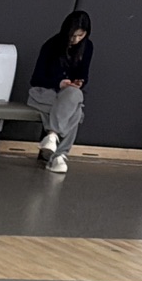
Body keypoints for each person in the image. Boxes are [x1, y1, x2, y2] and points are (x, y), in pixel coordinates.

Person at [28, 11, 93, 175]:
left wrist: (79, 82)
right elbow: (36, 79)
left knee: (74, 96)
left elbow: (84, 75)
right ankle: (59, 157)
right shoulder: (51, 45)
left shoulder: (87, 47)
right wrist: (58, 83)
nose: (76, 40)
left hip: (68, 95)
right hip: (44, 93)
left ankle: (52, 136)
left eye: (80, 36)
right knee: (75, 111)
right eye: (73, 36)